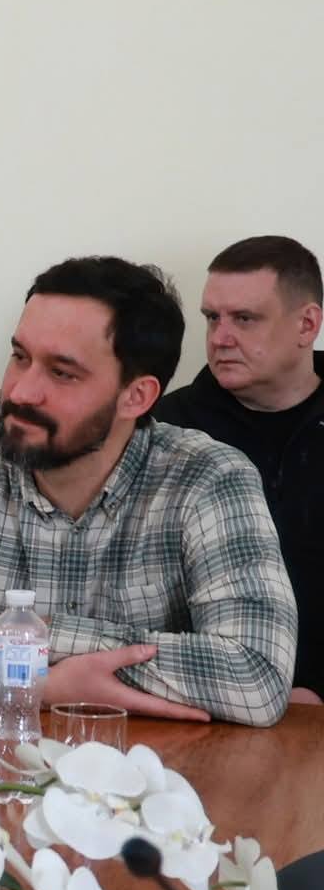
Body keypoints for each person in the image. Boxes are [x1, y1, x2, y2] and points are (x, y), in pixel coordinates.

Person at [0, 256, 296, 726]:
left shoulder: (209, 477)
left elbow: (257, 677)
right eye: (20, 357)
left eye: (62, 372)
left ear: (136, 396)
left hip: (158, 767)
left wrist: (25, 637)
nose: (20, 392)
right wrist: (32, 683)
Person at [156, 235, 324, 705]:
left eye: (244, 319)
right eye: (213, 318)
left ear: (307, 324)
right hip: (204, 701)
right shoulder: (165, 429)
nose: (220, 338)